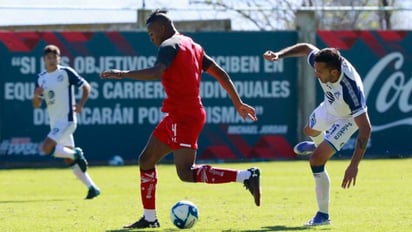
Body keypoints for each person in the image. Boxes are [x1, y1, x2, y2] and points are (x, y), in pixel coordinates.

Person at [100, 10, 261, 229]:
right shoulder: (193, 45)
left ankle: (246, 176)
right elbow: (220, 72)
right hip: (178, 114)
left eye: (151, 32)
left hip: (185, 116)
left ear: (162, 28)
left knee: (186, 172)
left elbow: (158, 72)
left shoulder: (169, 45)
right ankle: (149, 219)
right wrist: (238, 102)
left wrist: (123, 73)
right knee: (146, 160)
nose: (151, 37)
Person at [263, 43, 371, 226]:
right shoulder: (324, 62)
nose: (315, 74)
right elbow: (305, 47)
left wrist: (354, 165)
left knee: (316, 160)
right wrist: (278, 55)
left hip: (347, 118)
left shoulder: (350, 90)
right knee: (310, 131)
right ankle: (320, 144)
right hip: (330, 107)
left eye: (319, 72)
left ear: (334, 74)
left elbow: (366, 128)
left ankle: (323, 216)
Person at [32, 45, 100, 199]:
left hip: (67, 120)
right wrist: (36, 96)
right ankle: (92, 188)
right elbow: (36, 105)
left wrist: (81, 104)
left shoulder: (65, 72)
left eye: (54, 57)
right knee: (68, 159)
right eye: (48, 58)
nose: (51, 60)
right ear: (44, 60)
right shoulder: (41, 78)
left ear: (59, 58)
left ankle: (77, 153)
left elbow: (86, 87)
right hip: (55, 124)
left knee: (46, 148)